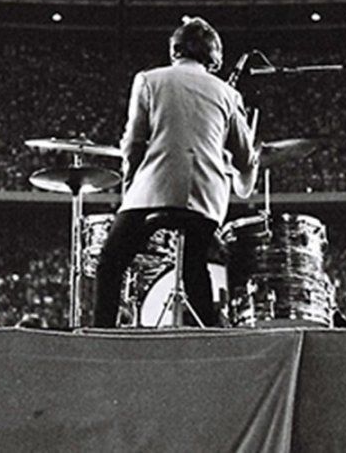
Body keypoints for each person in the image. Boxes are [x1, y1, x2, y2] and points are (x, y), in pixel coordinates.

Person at [92, 17, 259, 327]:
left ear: (174, 50)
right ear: (214, 57)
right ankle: (211, 337)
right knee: (195, 267)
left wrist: (130, 189)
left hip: (154, 191)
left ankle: (101, 337)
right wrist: (239, 178)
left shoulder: (148, 80)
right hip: (206, 202)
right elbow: (246, 158)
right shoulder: (228, 94)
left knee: (111, 262)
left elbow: (133, 144)